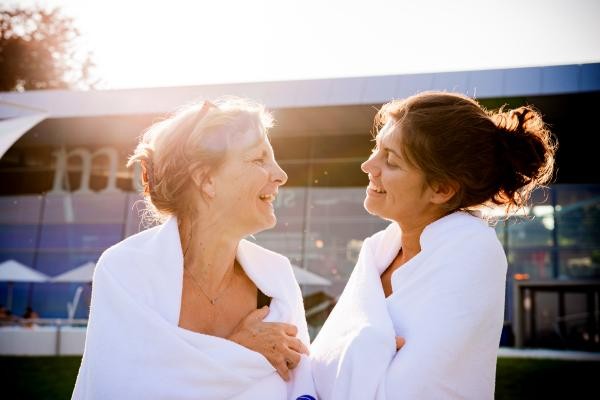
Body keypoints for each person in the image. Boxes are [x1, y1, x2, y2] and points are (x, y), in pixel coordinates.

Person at [310, 91, 557, 399]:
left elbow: (407, 392)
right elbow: (317, 366)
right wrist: (373, 348)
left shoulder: (472, 252)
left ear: (441, 189)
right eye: (376, 148)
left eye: (391, 160)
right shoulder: (376, 252)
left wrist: (360, 347)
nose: (367, 165)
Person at [72, 98, 316, 399]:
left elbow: (305, 386)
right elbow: (121, 389)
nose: (281, 174)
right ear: (206, 179)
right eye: (259, 159)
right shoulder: (126, 270)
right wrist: (239, 351)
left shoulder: (277, 277)